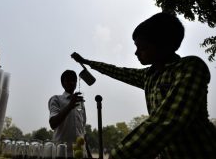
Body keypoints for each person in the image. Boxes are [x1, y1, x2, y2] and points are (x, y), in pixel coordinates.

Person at [71, 12, 216, 159]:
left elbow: (167, 121)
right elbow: (118, 72)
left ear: (164, 45)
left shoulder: (190, 67)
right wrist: (88, 62)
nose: (136, 52)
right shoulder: (149, 76)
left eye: (143, 47)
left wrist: (118, 155)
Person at [48, 70, 87, 158]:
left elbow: (82, 129)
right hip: (61, 154)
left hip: (80, 154)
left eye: (74, 80)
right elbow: (53, 124)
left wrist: (88, 153)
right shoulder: (56, 99)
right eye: (68, 80)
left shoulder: (80, 103)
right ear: (62, 83)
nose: (72, 83)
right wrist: (70, 106)